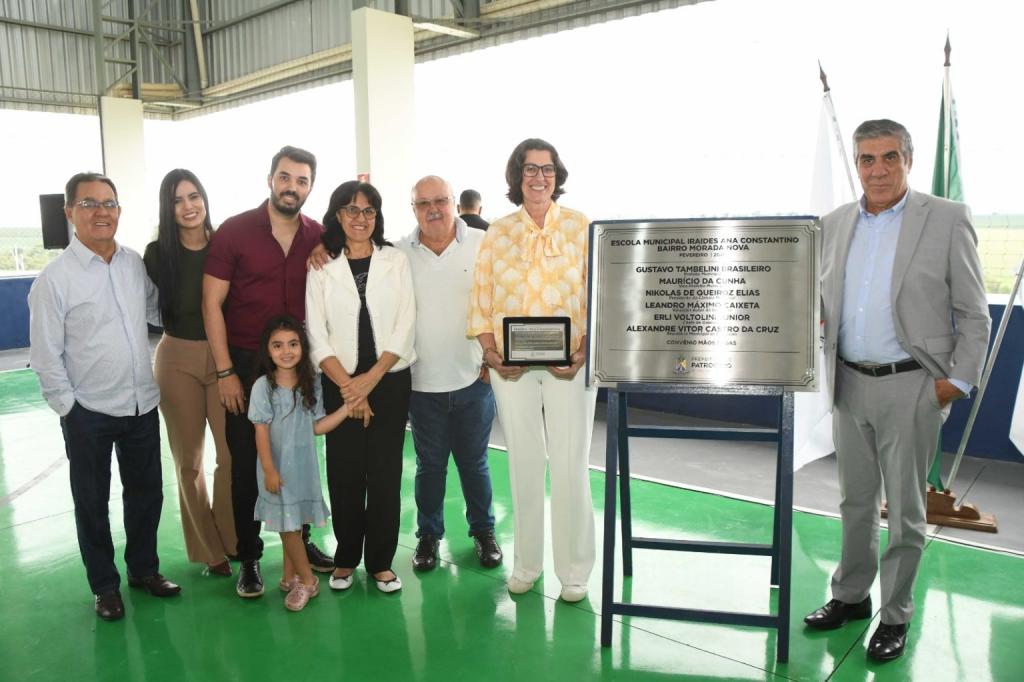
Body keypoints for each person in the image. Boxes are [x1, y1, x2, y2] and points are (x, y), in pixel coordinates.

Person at [805, 119, 990, 661]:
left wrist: (953, 383)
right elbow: (822, 302)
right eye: (867, 159)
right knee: (854, 502)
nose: (877, 170)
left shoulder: (947, 219)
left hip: (911, 387)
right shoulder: (835, 222)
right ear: (857, 165)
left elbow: (973, 314)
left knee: (906, 510)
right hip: (848, 384)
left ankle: (896, 615)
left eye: (889, 157)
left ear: (908, 159)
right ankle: (851, 596)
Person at [29, 172, 180, 621]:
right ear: (70, 212)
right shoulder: (54, 281)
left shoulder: (134, 263)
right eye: (90, 203)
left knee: (146, 495)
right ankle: (104, 586)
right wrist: (68, 408)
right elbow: (45, 353)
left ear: (119, 210)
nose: (101, 212)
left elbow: (156, 310)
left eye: (109, 203)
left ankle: (143, 571)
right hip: (88, 411)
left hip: (141, 404)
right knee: (92, 503)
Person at [202, 146, 334, 599]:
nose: (291, 187)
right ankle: (251, 558)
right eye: (285, 177)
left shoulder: (318, 235)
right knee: (246, 463)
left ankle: (302, 548)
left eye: (301, 180)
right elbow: (211, 304)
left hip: (299, 364)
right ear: (270, 179)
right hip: (243, 360)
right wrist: (225, 372)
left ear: (309, 187)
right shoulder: (235, 232)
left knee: (297, 455)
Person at [468, 139, 597, 602]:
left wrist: (583, 351)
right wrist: (490, 352)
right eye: (529, 170)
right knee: (523, 460)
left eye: (546, 169)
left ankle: (575, 570)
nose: (538, 177)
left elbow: (600, 297)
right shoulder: (497, 233)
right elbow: (480, 299)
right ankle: (526, 564)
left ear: (558, 175)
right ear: (516, 177)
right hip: (510, 367)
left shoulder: (582, 226)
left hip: (572, 363)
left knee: (569, 462)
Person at [306, 180, 416, 594]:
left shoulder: (396, 260)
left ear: (378, 216)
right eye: (351, 210)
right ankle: (347, 557)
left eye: (368, 211)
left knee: (386, 474)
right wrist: (350, 388)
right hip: (339, 382)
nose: (360, 218)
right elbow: (317, 334)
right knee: (346, 473)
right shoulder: (321, 266)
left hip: (388, 380)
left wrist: (367, 385)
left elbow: (406, 323)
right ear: (337, 215)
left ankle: (382, 562)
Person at [396, 175, 503, 573]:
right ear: (413, 209)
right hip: (422, 384)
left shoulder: (482, 244)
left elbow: (502, 303)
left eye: (440, 200)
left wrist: (492, 360)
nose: (433, 209)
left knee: (475, 465)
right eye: (423, 203)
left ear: (454, 202)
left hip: (474, 380)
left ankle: (483, 533)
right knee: (430, 467)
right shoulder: (397, 253)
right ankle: (428, 536)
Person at [144, 169, 236, 578]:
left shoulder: (227, 246)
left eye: (193, 196)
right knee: (189, 461)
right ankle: (208, 549)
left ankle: (234, 540)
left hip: (223, 359)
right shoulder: (155, 255)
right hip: (176, 357)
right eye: (178, 200)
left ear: (204, 199)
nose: (188, 206)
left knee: (232, 454)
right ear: (169, 208)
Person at [249, 314, 365, 611]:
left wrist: (345, 409)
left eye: (293, 344)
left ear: (303, 347)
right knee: (287, 529)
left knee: (295, 526)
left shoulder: (309, 385)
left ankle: (291, 577)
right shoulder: (263, 386)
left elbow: (317, 426)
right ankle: (309, 580)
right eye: (278, 345)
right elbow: (260, 432)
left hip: (303, 470)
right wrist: (269, 470)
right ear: (268, 350)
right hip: (276, 470)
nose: (286, 351)